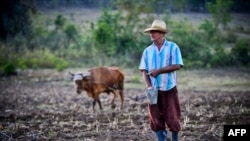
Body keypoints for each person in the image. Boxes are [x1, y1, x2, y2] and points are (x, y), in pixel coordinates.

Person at [139, 19, 183, 141]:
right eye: (151, 32)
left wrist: (158, 71)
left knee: (172, 116)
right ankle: (161, 139)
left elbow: (177, 65)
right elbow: (144, 70)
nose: (152, 34)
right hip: (153, 89)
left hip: (168, 87)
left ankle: (175, 139)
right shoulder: (147, 51)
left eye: (155, 32)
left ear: (162, 34)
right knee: (155, 117)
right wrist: (148, 87)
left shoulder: (173, 47)